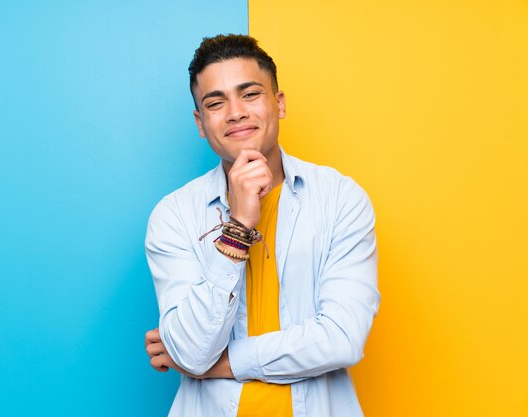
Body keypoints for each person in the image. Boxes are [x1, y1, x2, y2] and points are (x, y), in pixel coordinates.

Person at [144, 34, 380, 417]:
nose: (235, 112)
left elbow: (342, 339)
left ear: (279, 103)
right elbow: (190, 351)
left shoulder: (340, 199)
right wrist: (238, 226)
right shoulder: (174, 216)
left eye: (250, 94)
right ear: (201, 123)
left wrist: (222, 364)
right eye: (215, 103)